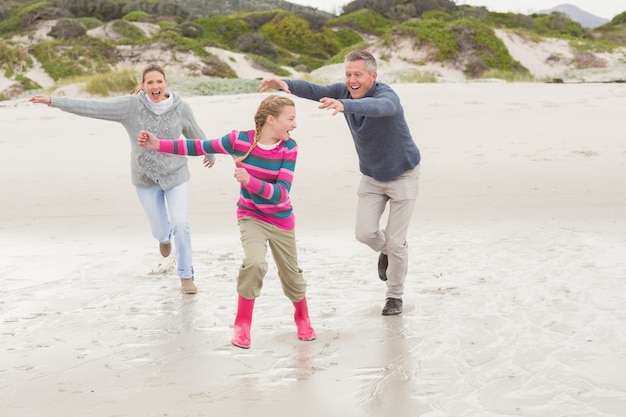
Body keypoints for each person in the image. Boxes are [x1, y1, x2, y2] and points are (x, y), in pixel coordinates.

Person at [137, 95, 316, 348]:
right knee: (254, 264)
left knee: (291, 275)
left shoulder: (289, 148)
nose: (294, 124)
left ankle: (302, 317)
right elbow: (199, 146)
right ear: (271, 120)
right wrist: (159, 145)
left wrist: (249, 181)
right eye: (291, 119)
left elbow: (282, 193)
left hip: (280, 219)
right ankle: (242, 325)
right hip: (251, 215)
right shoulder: (239, 141)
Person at [259, 49, 420, 316]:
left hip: (404, 175)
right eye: (348, 74)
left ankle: (394, 296)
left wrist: (346, 105)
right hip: (371, 176)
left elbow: (381, 108)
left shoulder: (386, 96)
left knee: (396, 240)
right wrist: (285, 85)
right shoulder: (343, 92)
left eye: (358, 74)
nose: (351, 80)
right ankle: (390, 250)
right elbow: (315, 90)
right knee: (365, 233)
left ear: (373, 75)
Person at [28, 64, 214, 294]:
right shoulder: (131, 106)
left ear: (166, 83)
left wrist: (209, 152)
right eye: (150, 82)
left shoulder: (181, 108)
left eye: (159, 81)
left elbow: (196, 134)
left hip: (176, 175)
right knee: (161, 230)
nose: (155, 86)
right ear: (143, 85)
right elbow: (92, 107)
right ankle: (163, 238)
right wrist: (53, 101)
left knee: (180, 223)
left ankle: (186, 276)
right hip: (145, 178)